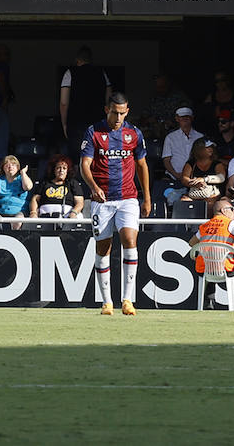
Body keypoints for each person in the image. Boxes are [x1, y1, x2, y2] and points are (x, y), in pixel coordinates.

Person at [80, 93, 149, 316]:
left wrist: (146, 196)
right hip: (102, 199)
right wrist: (92, 186)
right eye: (114, 112)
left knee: (130, 239)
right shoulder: (94, 132)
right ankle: (107, 302)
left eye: (122, 113)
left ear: (127, 111)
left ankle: (127, 299)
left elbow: (142, 165)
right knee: (103, 247)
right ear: (106, 109)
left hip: (128, 197)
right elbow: (85, 164)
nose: (118, 117)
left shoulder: (134, 133)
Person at [188, 196, 234, 307]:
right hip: (226, 267)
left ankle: (209, 303)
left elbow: (192, 243)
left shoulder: (204, 226)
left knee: (208, 267)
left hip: (204, 268)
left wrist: (202, 253)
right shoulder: (231, 224)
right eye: (232, 209)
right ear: (223, 211)